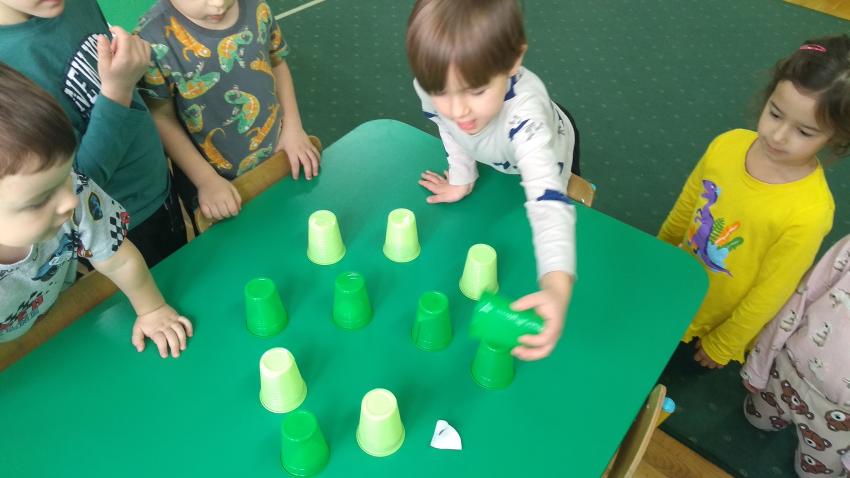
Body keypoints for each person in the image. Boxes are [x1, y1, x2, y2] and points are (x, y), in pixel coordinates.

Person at [659, 35, 850, 369]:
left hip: (716, 316)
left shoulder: (810, 212)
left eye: (804, 132)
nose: (778, 135)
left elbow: (771, 292)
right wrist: (657, 251)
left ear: (835, 137)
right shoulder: (727, 144)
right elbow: (687, 206)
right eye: (775, 113)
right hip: (673, 280)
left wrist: (724, 343)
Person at [406, 0, 579, 360]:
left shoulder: (528, 123)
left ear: (514, 60)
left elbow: (548, 202)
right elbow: (448, 127)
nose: (457, 110)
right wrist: (462, 177)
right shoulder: (432, 80)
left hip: (547, 146)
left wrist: (556, 285)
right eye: (442, 93)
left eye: (476, 90)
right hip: (496, 152)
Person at [0, 63, 193, 359]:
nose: (70, 201)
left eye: (65, 175)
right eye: (39, 200)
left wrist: (152, 309)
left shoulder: (74, 194)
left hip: (59, 318)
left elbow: (118, 260)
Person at [0, 0, 187, 267]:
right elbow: (78, 182)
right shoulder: (8, 70)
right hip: (117, 228)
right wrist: (118, 90)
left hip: (156, 182)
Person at [137, 0, 320, 222]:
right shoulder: (151, 39)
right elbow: (160, 115)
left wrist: (293, 128)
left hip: (279, 158)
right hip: (217, 186)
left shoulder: (257, 7)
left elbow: (277, 63)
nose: (219, 4)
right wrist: (206, 180)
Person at [741, 234, 850, 477]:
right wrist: (758, 366)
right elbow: (801, 297)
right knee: (754, 418)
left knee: (810, 474)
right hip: (787, 371)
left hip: (839, 417)